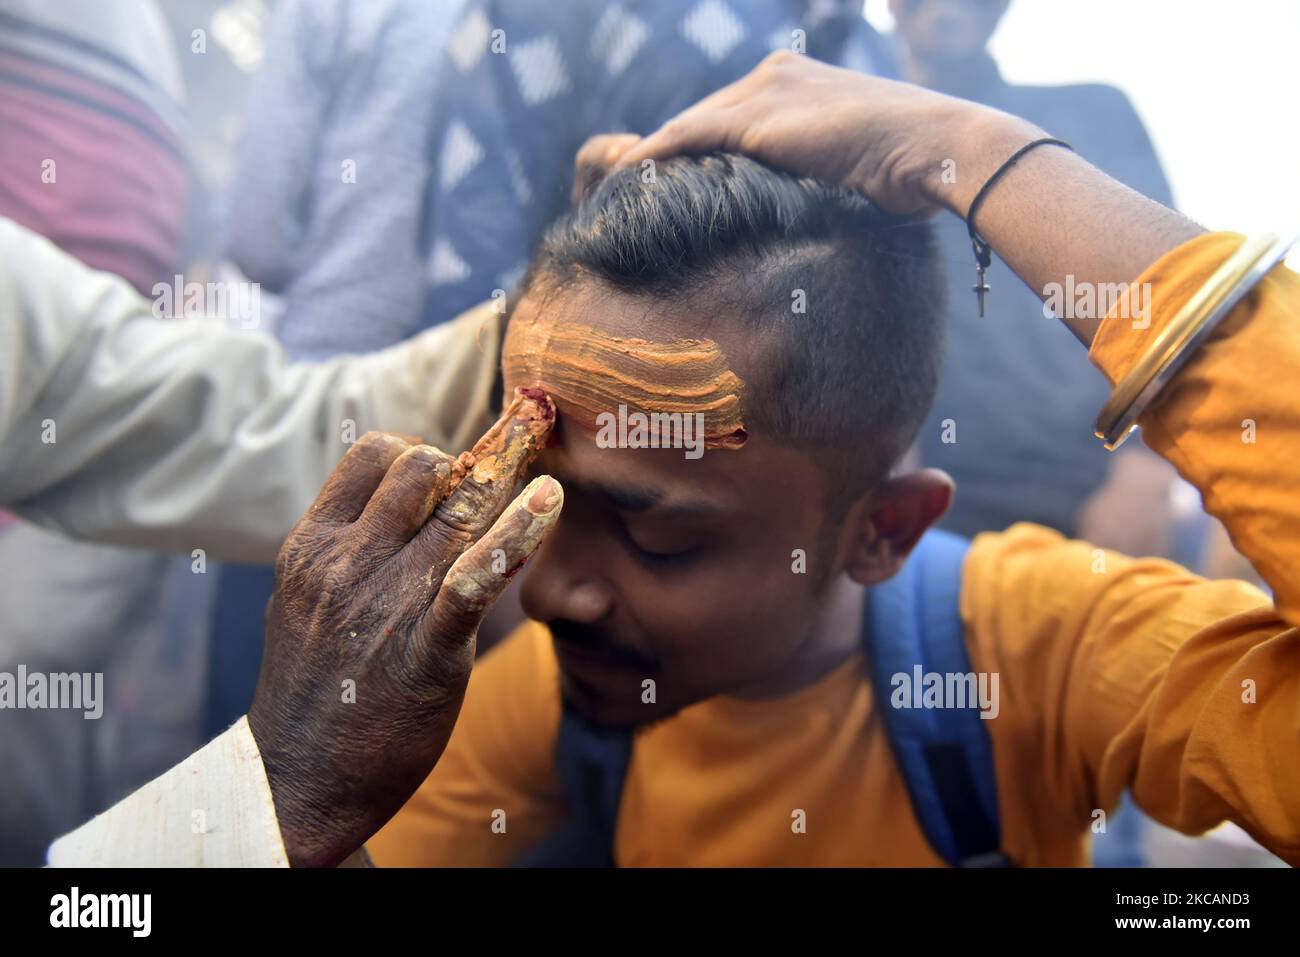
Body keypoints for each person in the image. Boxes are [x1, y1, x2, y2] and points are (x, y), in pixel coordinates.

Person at [44, 53, 1300, 867]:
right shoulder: (535, 703)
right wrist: (287, 790)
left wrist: (980, 154)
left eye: (657, 535)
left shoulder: (1035, 656)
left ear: (882, 530)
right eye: (536, 511)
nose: (555, 590)